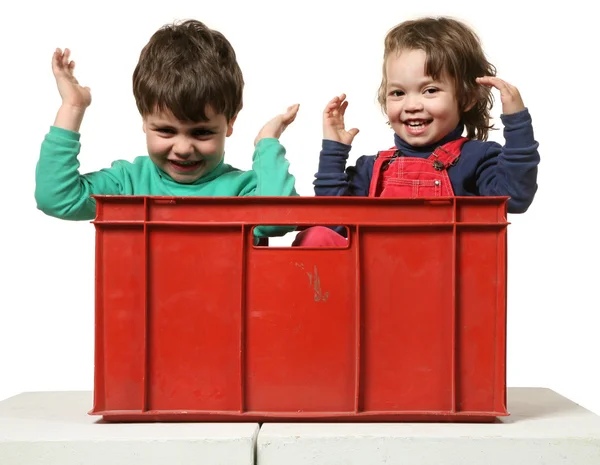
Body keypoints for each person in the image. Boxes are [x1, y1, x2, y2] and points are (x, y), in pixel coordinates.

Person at [35, 19, 299, 239]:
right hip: (138, 304)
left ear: (230, 122)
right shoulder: (128, 184)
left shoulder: (244, 190)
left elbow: (279, 221)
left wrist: (267, 143)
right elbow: (57, 199)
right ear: (144, 120)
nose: (183, 149)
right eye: (166, 131)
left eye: (202, 132)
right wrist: (72, 108)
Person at [293, 16, 540, 246]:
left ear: (466, 98)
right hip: (374, 286)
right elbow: (333, 221)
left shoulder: (478, 159)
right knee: (315, 236)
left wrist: (516, 122)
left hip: (445, 287)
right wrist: (333, 154)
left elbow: (515, 197)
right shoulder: (372, 169)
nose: (412, 106)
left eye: (430, 90)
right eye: (398, 93)